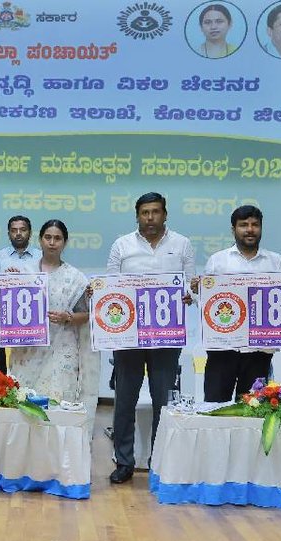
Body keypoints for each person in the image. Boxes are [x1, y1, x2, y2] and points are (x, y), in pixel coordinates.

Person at [106, 192, 196, 484]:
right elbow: (112, 289)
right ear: (137, 216)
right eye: (144, 212)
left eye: (155, 212)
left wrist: (188, 295)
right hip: (129, 338)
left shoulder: (182, 244)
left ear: (165, 214)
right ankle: (123, 462)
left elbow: (192, 290)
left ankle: (159, 463)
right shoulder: (122, 245)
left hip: (166, 338)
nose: (150, 218)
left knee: (163, 403)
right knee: (124, 403)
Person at [6, 220, 97, 412]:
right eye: (48, 237)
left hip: (61, 347)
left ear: (64, 242)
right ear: (40, 240)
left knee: (57, 405)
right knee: (24, 404)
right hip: (28, 349)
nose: (52, 242)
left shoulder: (75, 277)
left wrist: (68, 317)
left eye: (57, 238)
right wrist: (10, 281)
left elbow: (86, 314)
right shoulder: (24, 272)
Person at [200, 204, 281, 403]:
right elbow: (205, 302)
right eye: (243, 225)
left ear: (261, 228)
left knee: (253, 409)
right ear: (233, 229)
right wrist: (198, 290)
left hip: (259, 350)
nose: (250, 229)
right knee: (215, 406)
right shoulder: (217, 261)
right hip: (222, 348)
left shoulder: (276, 262)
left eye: (255, 225)